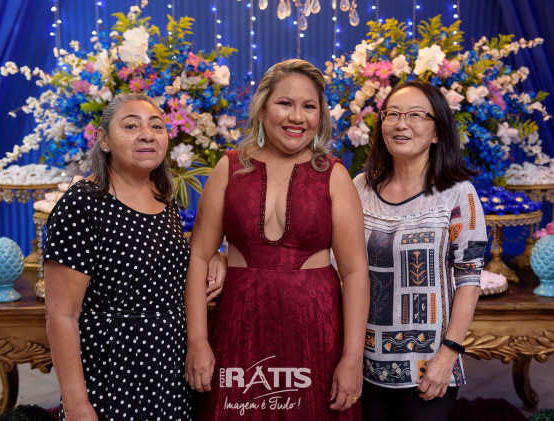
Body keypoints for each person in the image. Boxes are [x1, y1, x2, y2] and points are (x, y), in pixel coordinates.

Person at [184, 59, 370, 420]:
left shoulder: (334, 175)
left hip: (315, 330)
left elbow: (355, 273)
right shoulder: (229, 168)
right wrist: (198, 340)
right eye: (285, 103)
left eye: (309, 106)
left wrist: (351, 358)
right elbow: (199, 257)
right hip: (239, 326)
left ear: (320, 116)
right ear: (262, 108)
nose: (297, 117)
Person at [44, 93, 225, 421]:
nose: (146, 135)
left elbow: (171, 270)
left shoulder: (163, 198)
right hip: (113, 372)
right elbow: (61, 316)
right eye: (131, 126)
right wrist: (76, 405)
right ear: (104, 140)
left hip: (169, 370)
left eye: (156, 126)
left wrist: (217, 259)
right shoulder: (83, 204)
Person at [354, 80, 487, 421]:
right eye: (393, 114)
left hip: (428, 367)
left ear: (438, 132)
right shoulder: (359, 188)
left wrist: (449, 354)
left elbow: (469, 279)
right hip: (362, 363)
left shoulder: (458, 194)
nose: (401, 124)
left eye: (415, 115)